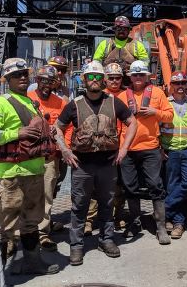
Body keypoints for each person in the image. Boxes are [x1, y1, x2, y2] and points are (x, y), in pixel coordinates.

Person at [54, 61, 138, 266]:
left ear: (103, 81)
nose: (94, 80)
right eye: (90, 77)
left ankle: (106, 239)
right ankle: (77, 246)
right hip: (82, 165)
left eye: (98, 77)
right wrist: (64, 150)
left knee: (107, 204)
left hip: (107, 164)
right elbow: (57, 127)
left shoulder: (114, 102)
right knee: (79, 205)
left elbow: (132, 122)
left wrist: (124, 148)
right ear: (84, 79)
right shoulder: (74, 104)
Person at [0, 58, 59, 275]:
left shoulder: (31, 103)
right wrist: (17, 133)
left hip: (34, 171)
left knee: (31, 221)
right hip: (10, 174)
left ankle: (32, 263)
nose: (22, 77)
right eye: (16, 75)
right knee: (6, 223)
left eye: (25, 73)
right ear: (6, 79)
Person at [120, 60, 174, 245]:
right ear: (130, 77)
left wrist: (154, 112)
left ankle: (160, 226)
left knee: (155, 185)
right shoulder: (121, 97)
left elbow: (170, 115)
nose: (137, 78)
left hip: (150, 148)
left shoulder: (157, 93)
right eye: (134, 75)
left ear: (147, 76)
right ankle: (134, 222)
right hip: (128, 150)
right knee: (130, 186)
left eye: (141, 75)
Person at [27, 65, 68, 252]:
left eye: (50, 82)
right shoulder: (27, 100)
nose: (46, 85)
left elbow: (68, 128)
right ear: (37, 80)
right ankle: (25, 231)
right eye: (43, 80)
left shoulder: (60, 103)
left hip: (50, 156)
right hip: (29, 156)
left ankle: (42, 233)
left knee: (47, 194)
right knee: (27, 195)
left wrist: (64, 149)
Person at [159, 71, 187, 239]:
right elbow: (156, 126)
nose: (180, 87)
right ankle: (178, 223)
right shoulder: (164, 103)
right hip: (170, 151)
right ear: (172, 85)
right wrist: (159, 147)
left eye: (183, 83)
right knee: (172, 186)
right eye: (176, 83)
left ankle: (164, 210)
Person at [84, 62, 127, 233]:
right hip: (98, 148)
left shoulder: (126, 96)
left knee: (118, 187)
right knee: (94, 187)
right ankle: (89, 219)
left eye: (118, 78)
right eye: (111, 78)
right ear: (104, 79)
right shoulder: (97, 95)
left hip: (120, 149)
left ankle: (118, 216)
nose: (114, 81)